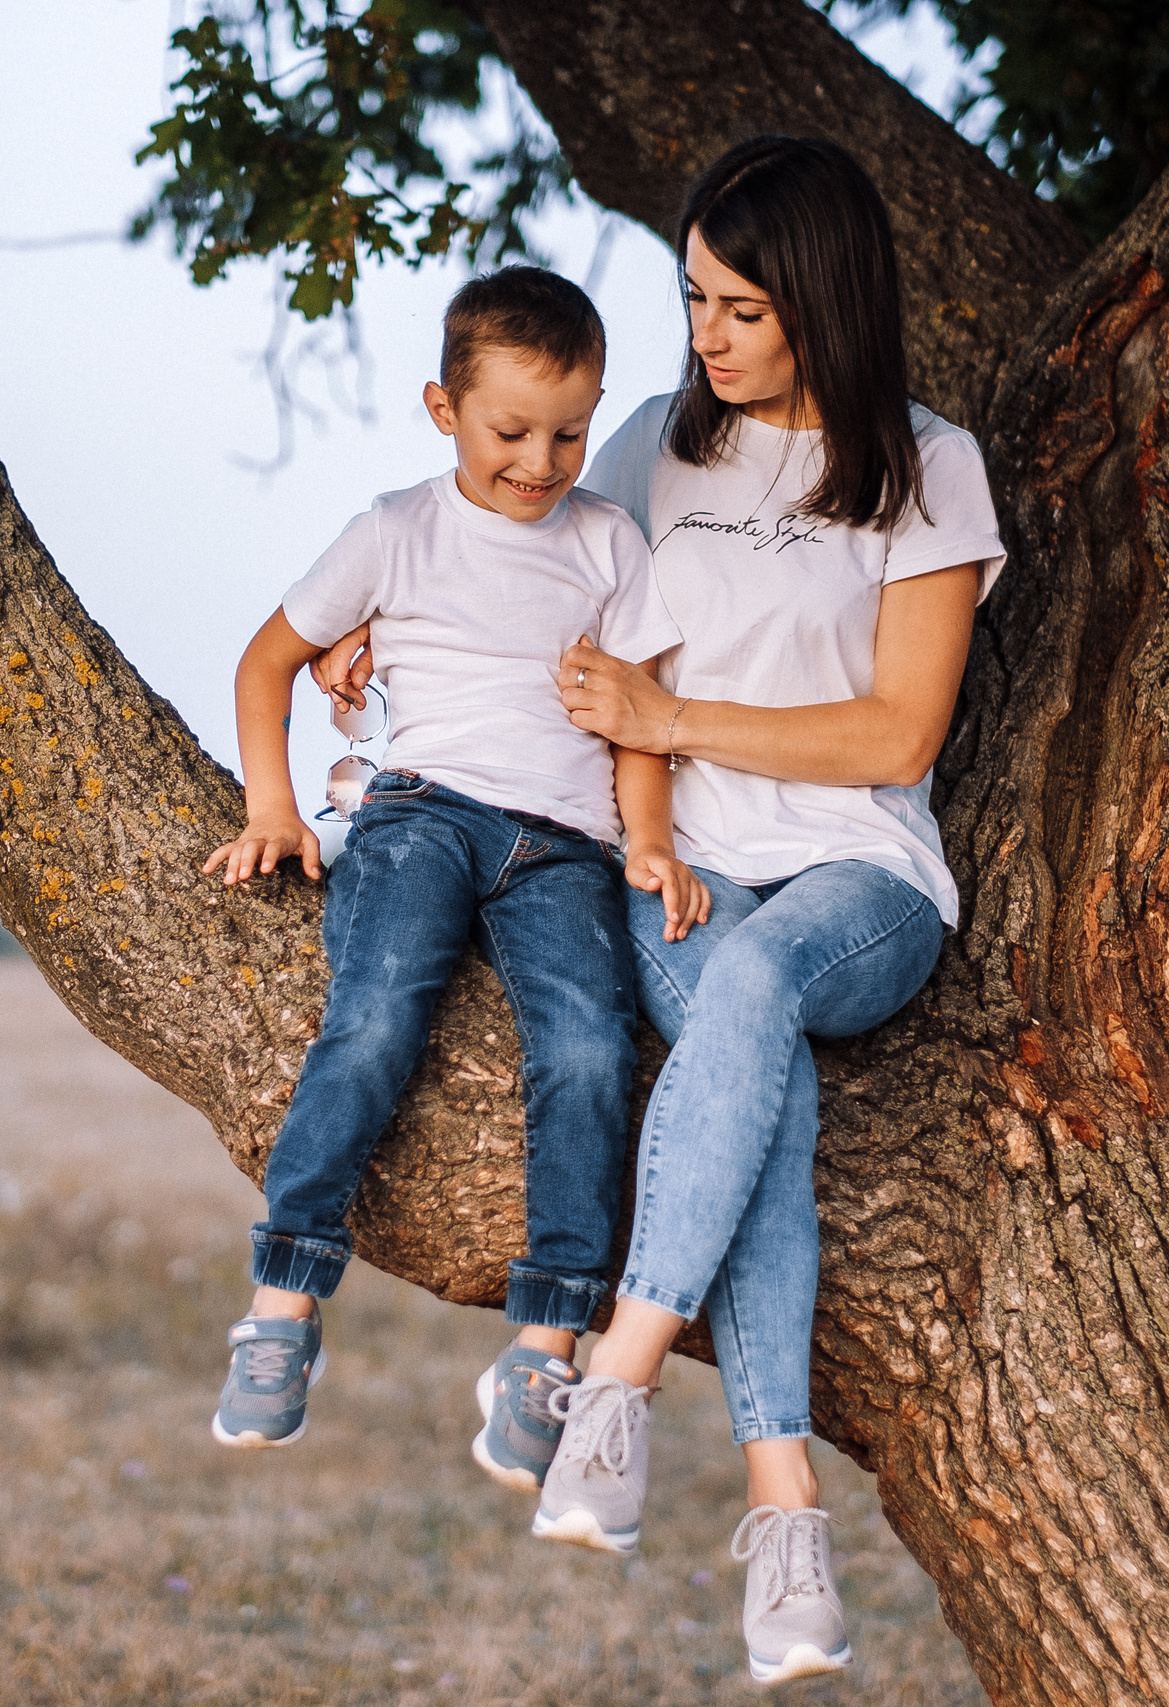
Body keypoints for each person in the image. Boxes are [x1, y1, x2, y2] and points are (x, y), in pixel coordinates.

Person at [317, 136, 1004, 1686]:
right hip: (672, 869)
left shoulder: (925, 464)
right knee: (763, 1097)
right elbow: (506, 543)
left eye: (743, 306)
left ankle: (611, 1381)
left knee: (761, 986)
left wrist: (670, 718)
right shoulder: (647, 442)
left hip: (861, 878)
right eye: (693, 295)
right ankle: (786, 1522)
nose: (708, 333)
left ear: (823, 298)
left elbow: (898, 734)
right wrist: (371, 624)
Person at [199, 266, 705, 1481]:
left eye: (570, 432)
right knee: (374, 1019)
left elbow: (641, 720)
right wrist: (274, 803)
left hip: (563, 847)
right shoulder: (396, 529)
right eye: (509, 432)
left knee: (586, 1054)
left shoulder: (609, 543)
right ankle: (282, 1299)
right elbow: (268, 664)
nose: (540, 460)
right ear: (443, 409)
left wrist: (649, 837)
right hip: (422, 813)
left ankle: (546, 1340)